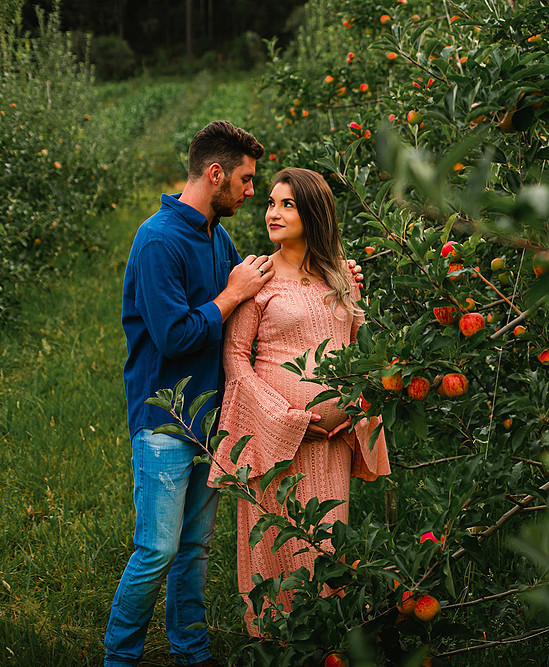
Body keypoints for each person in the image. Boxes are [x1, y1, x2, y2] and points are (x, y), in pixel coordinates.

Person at [108, 122, 361, 666]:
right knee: (157, 549)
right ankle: (119, 657)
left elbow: (271, 295)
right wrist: (231, 294)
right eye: (247, 181)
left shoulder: (216, 238)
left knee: (193, 549)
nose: (251, 192)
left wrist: (337, 275)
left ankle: (191, 652)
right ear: (216, 173)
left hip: (213, 420)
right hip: (165, 420)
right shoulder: (158, 240)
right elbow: (174, 336)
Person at [212, 167, 390, 635]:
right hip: (277, 441)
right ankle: (278, 642)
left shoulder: (341, 276)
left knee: (327, 541)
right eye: (271, 203)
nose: (272, 213)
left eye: (286, 205)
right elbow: (235, 357)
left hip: (332, 441)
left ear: (313, 212)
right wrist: (284, 419)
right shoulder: (258, 276)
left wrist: (355, 407)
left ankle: (327, 642)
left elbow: (359, 347)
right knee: (279, 544)